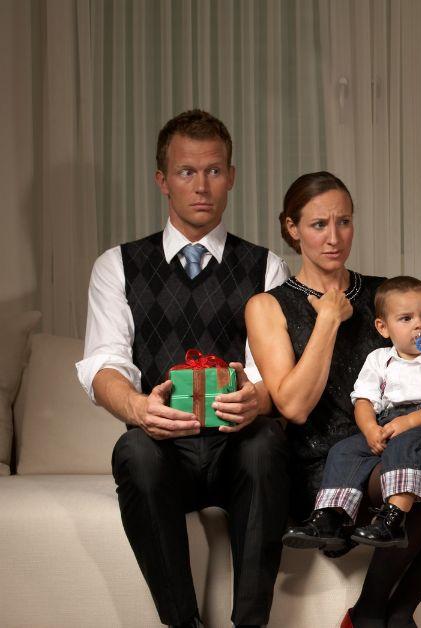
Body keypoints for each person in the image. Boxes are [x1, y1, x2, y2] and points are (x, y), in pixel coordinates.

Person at [245, 172, 421, 628]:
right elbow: (293, 406)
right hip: (331, 467)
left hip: (400, 443)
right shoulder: (267, 306)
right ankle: (370, 614)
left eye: (343, 222)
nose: (334, 238)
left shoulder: (390, 297)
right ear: (291, 228)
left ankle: (396, 608)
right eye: (318, 225)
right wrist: (328, 320)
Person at [76, 109, 291, 628]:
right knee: (132, 448)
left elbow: (274, 377)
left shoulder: (266, 267)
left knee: (267, 442)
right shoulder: (117, 265)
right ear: (162, 181)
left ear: (232, 177)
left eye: (214, 171)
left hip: (237, 449)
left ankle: (250, 625)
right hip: (164, 451)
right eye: (186, 172)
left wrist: (256, 399)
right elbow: (104, 363)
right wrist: (137, 408)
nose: (201, 186)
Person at [283, 275, 421, 551]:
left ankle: (393, 519)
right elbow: (363, 401)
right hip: (389, 426)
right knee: (345, 450)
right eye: (406, 319)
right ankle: (330, 518)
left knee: (407, 440)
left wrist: (409, 421)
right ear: (383, 328)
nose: (420, 324)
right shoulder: (379, 359)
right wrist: (370, 429)